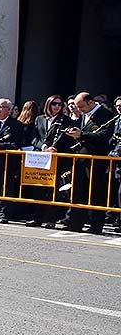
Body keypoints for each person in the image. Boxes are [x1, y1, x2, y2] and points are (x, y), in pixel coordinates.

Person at [60, 92, 116, 235]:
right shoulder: (84, 115)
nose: (79, 110)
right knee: (78, 191)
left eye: (81, 106)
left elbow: (104, 137)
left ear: (90, 103)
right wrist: (75, 134)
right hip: (81, 158)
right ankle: (76, 223)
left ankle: (96, 225)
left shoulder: (106, 115)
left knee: (96, 193)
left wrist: (82, 135)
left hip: (97, 160)